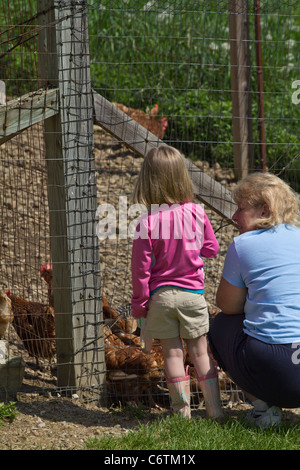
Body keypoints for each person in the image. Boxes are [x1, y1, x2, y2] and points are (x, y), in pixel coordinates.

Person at [130, 144, 224, 420]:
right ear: (182, 177)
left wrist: (139, 306)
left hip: (161, 297)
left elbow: (140, 271)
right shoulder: (197, 212)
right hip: (193, 295)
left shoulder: (146, 223)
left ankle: (181, 414)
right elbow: (212, 248)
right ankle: (215, 411)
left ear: (148, 180)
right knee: (200, 352)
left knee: (172, 354)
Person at [208, 172, 300, 428]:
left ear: (265, 210)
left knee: (221, 325)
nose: (234, 217)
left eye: (241, 209)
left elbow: (227, 305)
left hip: (278, 369)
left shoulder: (243, 245)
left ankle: (263, 410)